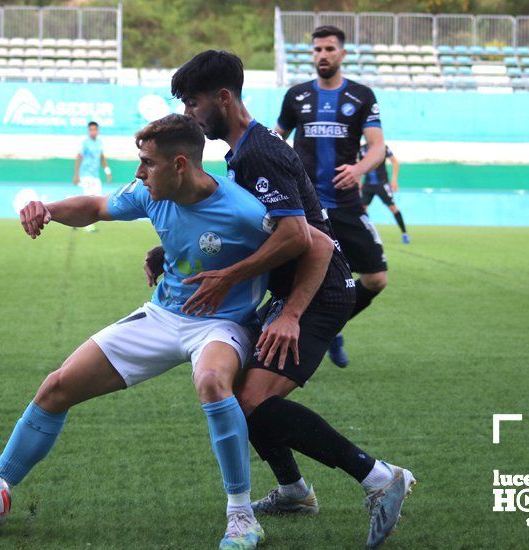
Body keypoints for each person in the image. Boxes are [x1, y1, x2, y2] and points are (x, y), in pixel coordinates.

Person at [0, 114, 303, 549]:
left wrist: (289, 310)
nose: (139, 173)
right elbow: (97, 207)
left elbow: (305, 242)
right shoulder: (151, 194)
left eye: (147, 163)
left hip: (223, 323)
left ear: (180, 164)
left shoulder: (245, 211)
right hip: (162, 316)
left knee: (212, 382)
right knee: (56, 387)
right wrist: (49, 209)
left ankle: (242, 517)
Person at [145, 50, 415, 549]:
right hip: (295, 291)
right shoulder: (242, 151)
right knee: (235, 393)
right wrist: (169, 249)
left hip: (319, 292)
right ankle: (293, 490)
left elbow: (302, 238)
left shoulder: (260, 153)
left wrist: (286, 310)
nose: (188, 114)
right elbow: (253, 229)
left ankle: (379, 478)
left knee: (250, 401)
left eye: (193, 102)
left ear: (223, 98)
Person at [276, 25, 390, 368]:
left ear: (341, 54)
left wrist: (357, 170)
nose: (322, 55)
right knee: (286, 284)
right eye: (317, 50)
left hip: (344, 204)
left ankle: (330, 327)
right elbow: (276, 137)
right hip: (303, 208)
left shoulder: (361, 96)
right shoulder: (296, 96)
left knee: (376, 278)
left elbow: (377, 147)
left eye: (328, 49)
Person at [359, 143, 409, 243]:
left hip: (382, 184)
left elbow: (394, 162)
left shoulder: (382, 147)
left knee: (393, 208)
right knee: (362, 210)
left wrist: (394, 180)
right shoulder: (362, 149)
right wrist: (359, 181)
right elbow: (357, 165)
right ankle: (369, 234)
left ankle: (404, 233)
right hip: (368, 185)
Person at [72, 121, 112, 232]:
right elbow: (79, 157)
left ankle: (75, 220)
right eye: (91, 130)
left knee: (97, 199)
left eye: (95, 129)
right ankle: (88, 225)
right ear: (88, 131)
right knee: (89, 199)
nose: (93, 132)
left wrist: (107, 171)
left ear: (98, 131)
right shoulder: (85, 143)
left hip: (96, 175)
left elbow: (102, 157)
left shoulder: (99, 143)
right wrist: (76, 175)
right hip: (86, 175)